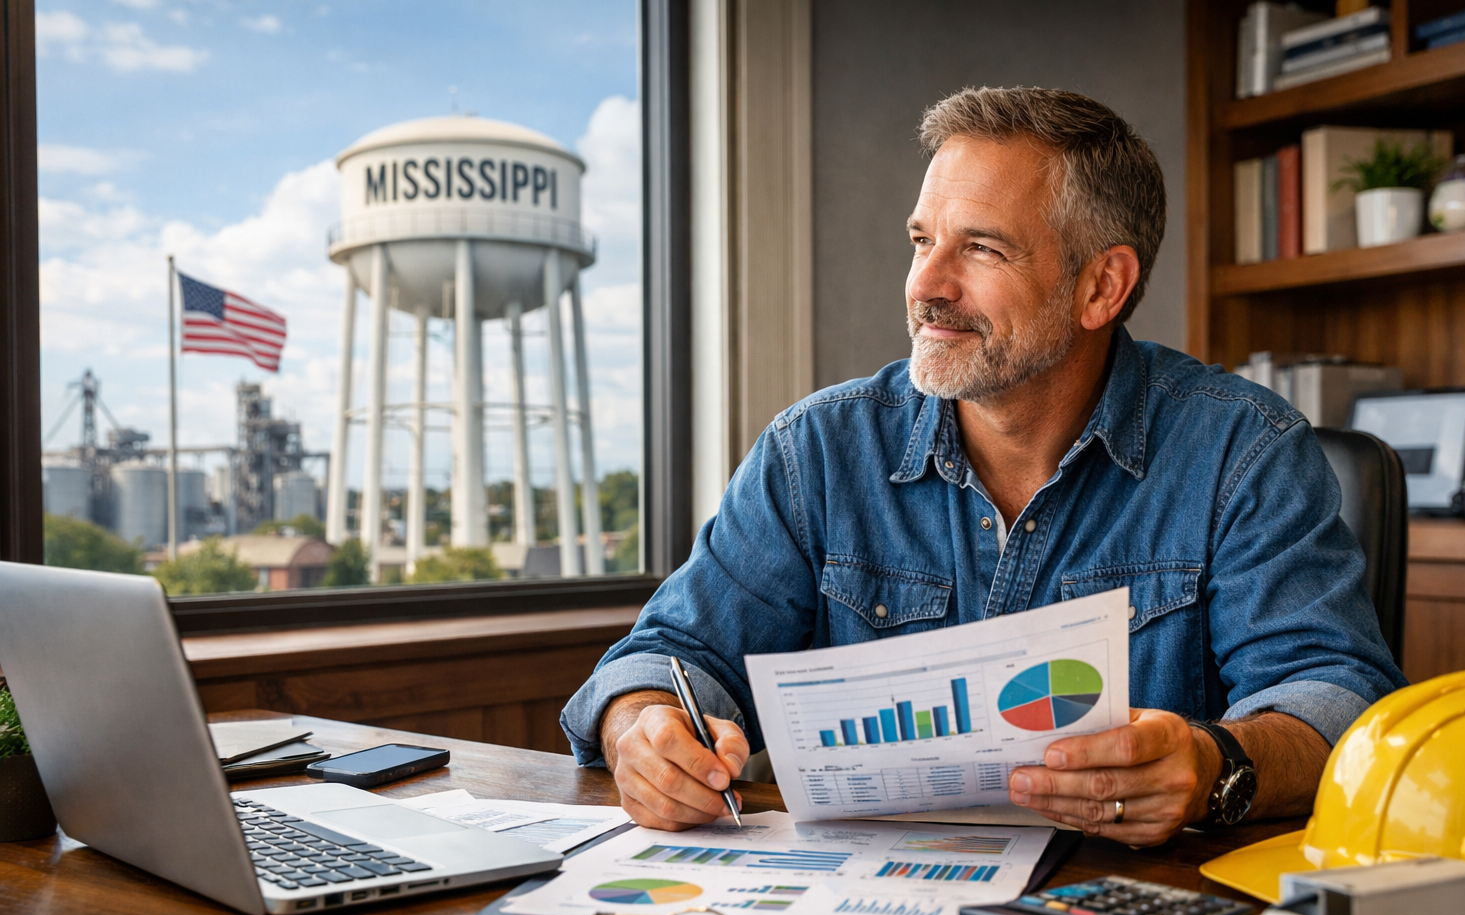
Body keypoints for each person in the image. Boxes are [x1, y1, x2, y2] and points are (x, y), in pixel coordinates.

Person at [560, 86, 1407, 843]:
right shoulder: (815, 450)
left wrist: (1215, 763)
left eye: (982, 249)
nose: (925, 284)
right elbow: (668, 653)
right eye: (922, 239)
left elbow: (1337, 697)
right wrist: (645, 728)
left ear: (1102, 288)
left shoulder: (1244, 452)